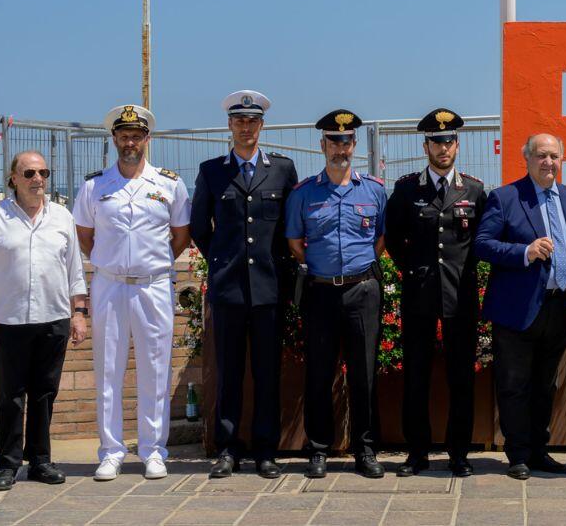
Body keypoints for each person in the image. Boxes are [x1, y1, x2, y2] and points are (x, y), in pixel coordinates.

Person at [73, 105, 191, 481]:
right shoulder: (94, 186)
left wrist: (150, 264)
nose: (130, 143)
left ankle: (153, 450)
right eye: (123, 136)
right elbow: (85, 237)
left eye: (136, 136)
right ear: (114, 140)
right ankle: (110, 451)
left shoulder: (169, 184)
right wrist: (113, 265)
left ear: (147, 140)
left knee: (155, 369)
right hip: (109, 285)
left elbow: (180, 236)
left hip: (154, 286)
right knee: (108, 370)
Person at [190, 90, 298, 479]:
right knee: (229, 374)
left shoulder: (283, 170)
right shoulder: (211, 171)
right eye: (239, 121)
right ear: (230, 125)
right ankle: (228, 449)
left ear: (262, 126)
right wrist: (221, 261)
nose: (246, 127)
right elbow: (200, 228)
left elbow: (291, 226)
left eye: (252, 121)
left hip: (269, 288)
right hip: (230, 288)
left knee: (268, 374)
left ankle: (266, 451)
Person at [0, 151, 88, 491]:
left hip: (54, 319)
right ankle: (6, 464)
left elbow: (74, 271)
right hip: (9, 321)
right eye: (30, 172)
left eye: (44, 172)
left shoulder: (62, 217)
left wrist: (79, 314)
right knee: (9, 396)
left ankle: (40, 461)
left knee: (44, 394)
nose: (38, 179)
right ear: (14, 179)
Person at [475, 133, 566, 480]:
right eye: (541, 155)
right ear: (527, 158)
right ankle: (518, 454)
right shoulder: (506, 197)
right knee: (514, 384)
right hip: (516, 310)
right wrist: (524, 252)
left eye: (555, 156)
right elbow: (482, 244)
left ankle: (540, 450)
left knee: (545, 385)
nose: (548, 162)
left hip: (558, 309)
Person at [286, 109, 387, 479]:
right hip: (321, 293)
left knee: (364, 374)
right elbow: (296, 243)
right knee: (319, 373)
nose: (340, 148)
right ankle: (318, 449)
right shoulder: (304, 194)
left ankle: (365, 449)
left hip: (362, 291)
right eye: (333, 141)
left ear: (354, 145)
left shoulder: (374, 190)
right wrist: (328, 272)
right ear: (322, 145)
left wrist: (356, 274)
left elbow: (379, 241)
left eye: (346, 141)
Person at [385, 109, 486, 478]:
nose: (443, 149)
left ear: (457, 145)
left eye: (448, 141)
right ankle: (417, 453)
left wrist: (465, 273)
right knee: (417, 377)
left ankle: (458, 452)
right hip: (420, 295)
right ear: (425, 145)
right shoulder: (407, 188)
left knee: (461, 377)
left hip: (460, 296)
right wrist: (412, 269)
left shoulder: (473, 190)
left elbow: (481, 241)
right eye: (436, 142)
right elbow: (393, 238)